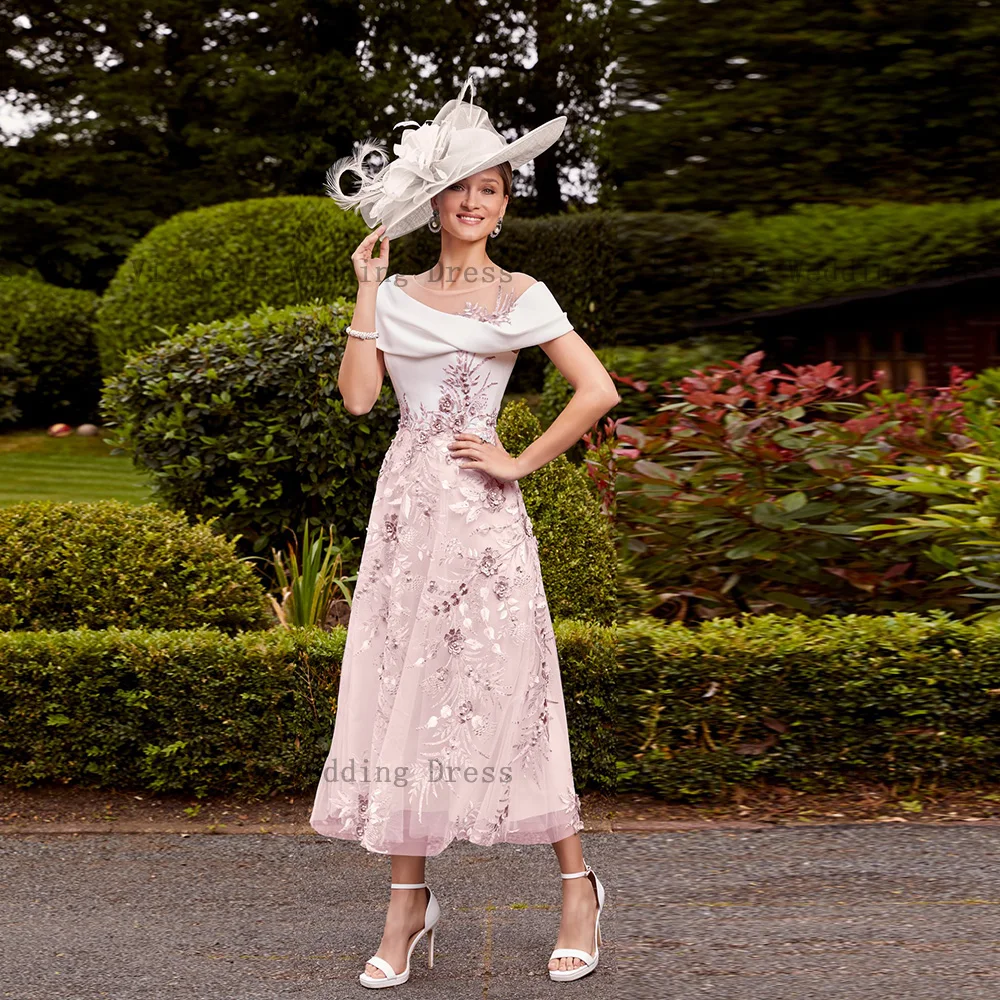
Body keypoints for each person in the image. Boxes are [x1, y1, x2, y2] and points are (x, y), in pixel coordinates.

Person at [308, 74, 619, 988]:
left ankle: (578, 888)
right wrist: (366, 291)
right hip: (406, 513)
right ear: (434, 201)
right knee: (404, 689)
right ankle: (408, 905)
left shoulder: (522, 293)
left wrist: (519, 463)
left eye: (491, 188)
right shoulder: (394, 291)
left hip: (482, 516)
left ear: (503, 203)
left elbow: (596, 391)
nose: (475, 202)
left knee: (513, 686)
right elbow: (361, 401)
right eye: (461, 188)